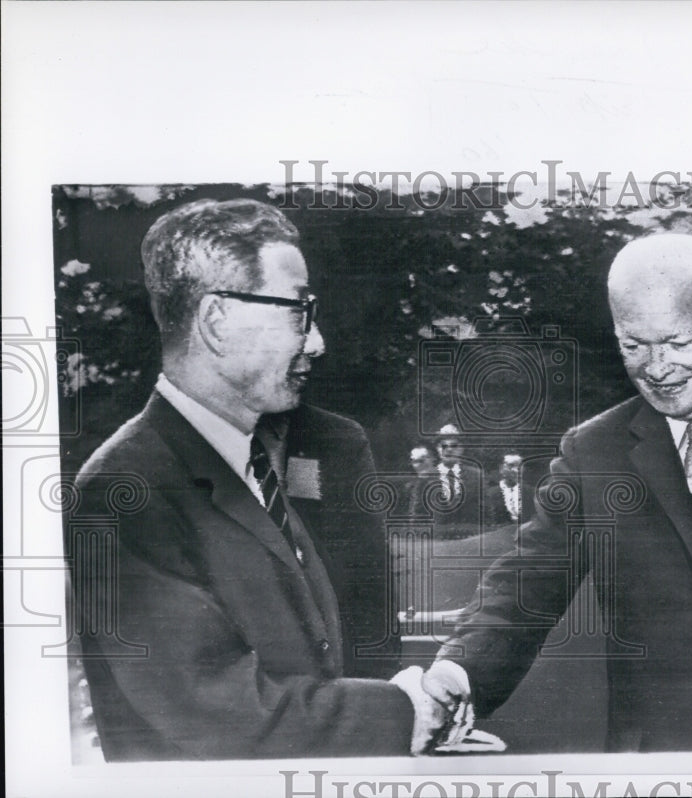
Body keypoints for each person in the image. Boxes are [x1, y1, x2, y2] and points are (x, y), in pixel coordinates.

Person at [423, 233, 692, 752]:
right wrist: (458, 671)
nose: (656, 369)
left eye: (678, 342)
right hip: (662, 762)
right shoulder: (592, 451)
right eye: (632, 345)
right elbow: (528, 581)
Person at [68, 199, 464, 761]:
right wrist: (404, 711)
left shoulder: (246, 458)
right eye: (298, 311)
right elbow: (219, 712)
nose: (318, 341)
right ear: (216, 322)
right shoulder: (124, 490)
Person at [431, 424, 485, 535]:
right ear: (438, 449)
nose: (449, 449)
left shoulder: (476, 476)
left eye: (454, 446)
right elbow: (417, 517)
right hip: (437, 544)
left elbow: (486, 513)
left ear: (461, 449)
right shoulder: (427, 477)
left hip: (471, 541)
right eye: (444, 446)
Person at [485, 453, 533, 525]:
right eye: (511, 465)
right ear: (501, 468)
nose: (516, 470)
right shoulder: (488, 494)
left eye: (519, 466)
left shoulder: (532, 492)